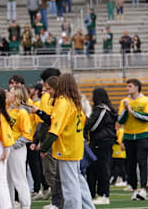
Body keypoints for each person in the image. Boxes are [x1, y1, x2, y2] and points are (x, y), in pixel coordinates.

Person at [39, 73, 94, 209]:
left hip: (66, 148)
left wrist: (44, 148)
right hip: (75, 145)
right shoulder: (75, 102)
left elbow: (55, 130)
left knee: (70, 185)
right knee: (78, 180)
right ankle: (89, 207)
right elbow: (84, 123)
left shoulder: (63, 102)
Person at [118, 78, 148, 200]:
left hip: (142, 136)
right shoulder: (124, 101)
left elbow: (147, 118)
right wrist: (127, 110)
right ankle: (134, 189)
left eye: (130, 86)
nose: (127, 88)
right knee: (130, 164)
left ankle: (143, 189)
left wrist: (132, 111)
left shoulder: (146, 100)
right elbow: (120, 120)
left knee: (142, 163)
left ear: (137, 87)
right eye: (127, 86)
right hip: (128, 136)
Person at [85, 88, 117, 205]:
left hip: (102, 142)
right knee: (94, 169)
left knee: (103, 168)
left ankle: (104, 195)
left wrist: (85, 121)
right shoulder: (104, 109)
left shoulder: (102, 109)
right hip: (100, 141)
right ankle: (93, 193)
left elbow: (93, 126)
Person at [7, 85, 33, 209]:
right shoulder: (7, 109)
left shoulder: (22, 112)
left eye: (11, 92)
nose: (8, 93)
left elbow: (27, 135)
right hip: (6, 148)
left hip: (16, 149)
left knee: (19, 178)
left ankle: (26, 205)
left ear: (16, 96)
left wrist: (13, 145)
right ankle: (9, 204)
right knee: (7, 180)